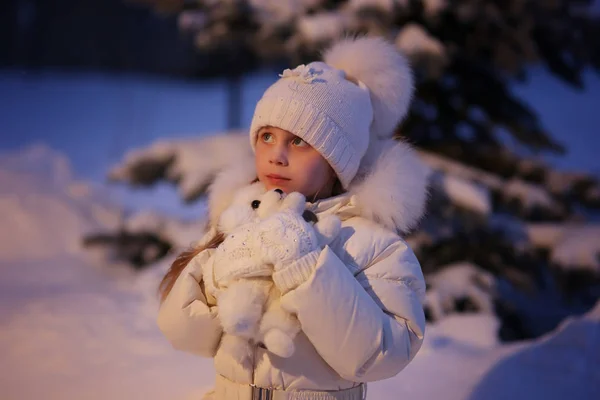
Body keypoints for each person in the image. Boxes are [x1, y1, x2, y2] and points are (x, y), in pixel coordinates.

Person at [157, 36, 430, 400]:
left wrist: (305, 266)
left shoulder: (372, 245)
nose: (276, 156)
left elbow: (381, 355)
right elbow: (182, 334)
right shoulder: (239, 221)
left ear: (337, 161)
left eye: (299, 142)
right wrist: (215, 277)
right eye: (267, 136)